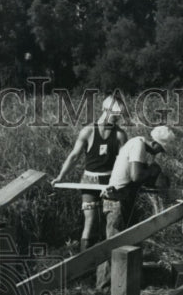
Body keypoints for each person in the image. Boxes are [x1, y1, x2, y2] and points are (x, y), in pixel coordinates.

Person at [95, 125, 176, 289]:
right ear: (154, 143)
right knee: (113, 242)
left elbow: (138, 177)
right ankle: (103, 287)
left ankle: (126, 282)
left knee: (128, 241)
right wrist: (152, 171)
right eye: (159, 149)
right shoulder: (137, 145)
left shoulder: (139, 149)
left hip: (124, 199)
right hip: (116, 199)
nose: (158, 153)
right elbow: (136, 175)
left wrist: (154, 175)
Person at [51, 95, 129, 252]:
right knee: (90, 222)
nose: (117, 118)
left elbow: (123, 163)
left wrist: (120, 183)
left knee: (112, 223)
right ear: (105, 110)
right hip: (89, 180)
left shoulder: (120, 135)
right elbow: (74, 156)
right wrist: (61, 176)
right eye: (115, 114)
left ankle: (108, 264)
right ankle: (84, 267)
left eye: (119, 115)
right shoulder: (88, 131)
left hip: (110, 180)